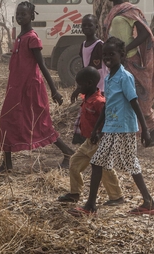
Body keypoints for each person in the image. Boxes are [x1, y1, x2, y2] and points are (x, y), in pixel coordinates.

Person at [68, 37, 154, 217]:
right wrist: (96, 130)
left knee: (97, 162)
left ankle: (90, 206)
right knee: (130, 164)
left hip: (123, 127)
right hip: (111, 126)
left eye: (112, 54)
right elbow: (109, 105)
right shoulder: (108, 77)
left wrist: (145, 129)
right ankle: (148, 202)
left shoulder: (125, 77)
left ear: (122, 55)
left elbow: (134, 103)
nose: (107, 57)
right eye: (105, 54)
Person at [0, 1, 75, 172]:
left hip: (30, 89)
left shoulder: (32, 38)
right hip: (16, 88)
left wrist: (54, 90)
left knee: (41, 124)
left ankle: (68, 152)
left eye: (23, 14)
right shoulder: (19, 37)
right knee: (7, 119)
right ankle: (7, 164)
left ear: (31, 16)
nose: (20, 17)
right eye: (18, 14)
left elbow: (42, 66)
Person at [104, 0, 154, 146]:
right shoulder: (112, 12)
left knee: (140, 98)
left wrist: (125, 49)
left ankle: (153, 132)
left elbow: (144, 34)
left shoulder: (130, 11)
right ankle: (133, 134)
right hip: (117, 61)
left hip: (131, 60)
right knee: (122, 98)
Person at [57, 67, 124, 205]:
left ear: (89, 84)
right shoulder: (87, 97)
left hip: (101, 141)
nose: (78, 87)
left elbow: (110, 120)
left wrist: (100, 134)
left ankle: (117, 197)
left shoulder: (99, 102)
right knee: (75, 162)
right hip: (89, 141)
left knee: (105, 170)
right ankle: (75, 193)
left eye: (79, 85)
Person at [70, 14, 108, 145]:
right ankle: (85, 139)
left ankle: (98, 139)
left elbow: (102, 67)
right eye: (84, 25)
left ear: (96, 27)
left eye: (90, 25)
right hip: (88, 87)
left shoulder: (100, 45)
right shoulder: (84, 45)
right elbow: (84, 68)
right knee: (86, 114)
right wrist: (79, 88)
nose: (86, 28)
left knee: (97, 114)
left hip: (100, 87)